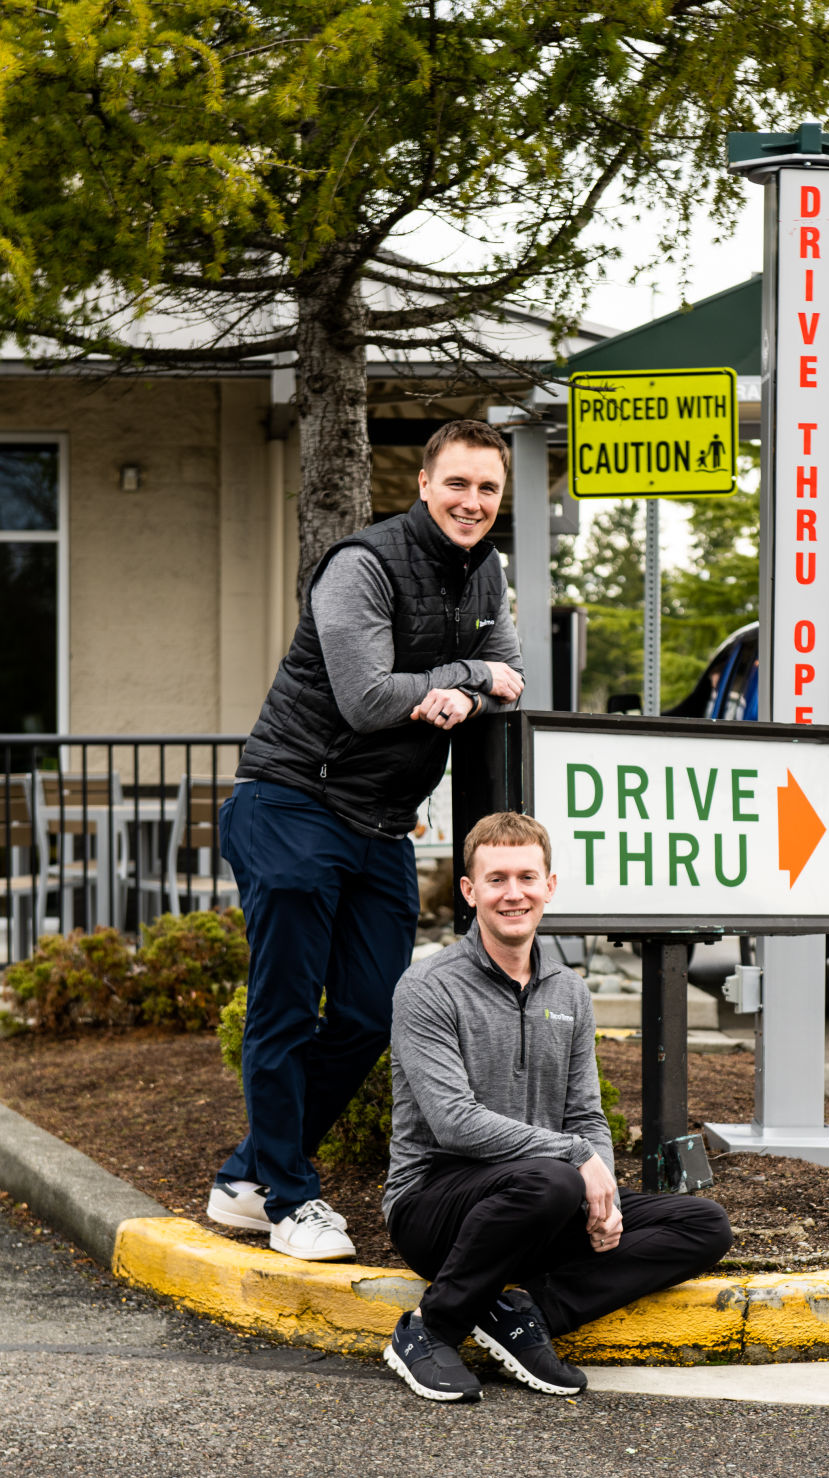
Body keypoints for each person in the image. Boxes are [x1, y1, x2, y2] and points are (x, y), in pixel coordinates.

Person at [207, 421, 524, 1261]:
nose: (472, 501)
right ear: (424, 484)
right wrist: (463, 679)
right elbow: (367, 698)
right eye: (458, 484)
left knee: (369, 1010)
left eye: (488, 489)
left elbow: (512, 673)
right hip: (290, 803)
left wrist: (476, 688)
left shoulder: (486, 573)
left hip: (380, 821)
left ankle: (247, 1175)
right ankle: (287, 1196)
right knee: (285, 1007)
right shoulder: (363, 564)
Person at [381, 812, 732, 1402]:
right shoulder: (428, 987)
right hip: (436, 1205)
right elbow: (452, 1121)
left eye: (526, 877)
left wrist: (606, 1197)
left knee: (702, 1224)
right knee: (552, 1181)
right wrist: (576, 1160)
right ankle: (429, 1330)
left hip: (540, 1202)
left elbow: (585, 1115)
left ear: (549, 885)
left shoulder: (568, 990)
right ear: (469, 892)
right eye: (496, 880)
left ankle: (523, 1313)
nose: (513, 893)